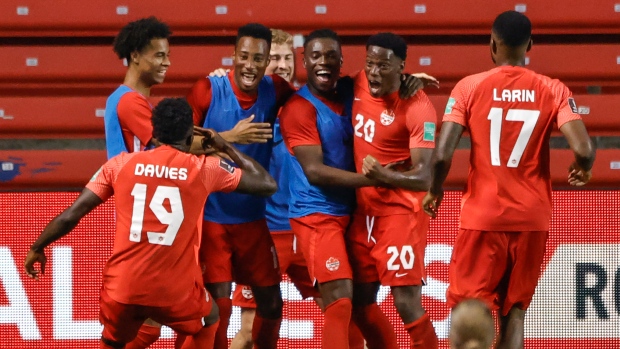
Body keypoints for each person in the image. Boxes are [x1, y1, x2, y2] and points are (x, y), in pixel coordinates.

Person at [24, 98, 277, 349]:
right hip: (175, 293)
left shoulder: (120, 165)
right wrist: (225, 147)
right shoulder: (204, 169)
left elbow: (72, 214)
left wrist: (38, 247)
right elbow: (266, 184)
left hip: (123, 289)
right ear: (190, 138)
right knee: (210, 317)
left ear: (154, 134)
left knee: (114, 340)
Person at [422, 10, 596, 349]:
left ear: (491, 43)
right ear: (530, 45)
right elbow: (585, 149)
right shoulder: (553, 89)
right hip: (532, 218)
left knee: (471, 309)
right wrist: (582, 167)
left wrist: (434, 190)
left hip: (483, 216)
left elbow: (441, 155)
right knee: (514, 313)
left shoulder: (469, 86)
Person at [186, 23, 297, 349]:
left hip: (252, 222)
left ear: (266, 63)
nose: (250, 64)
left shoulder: (275, 89)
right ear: (233, 56)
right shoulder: (208, 88)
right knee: (217, 309)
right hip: (212, 220)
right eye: (244, 56)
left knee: (272, 305)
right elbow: (180, 141)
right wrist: (230, 139)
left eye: (258, 59)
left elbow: (320, 94)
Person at [347, 32, 438, 349]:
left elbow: (425, 176)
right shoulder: (358, 83)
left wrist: (383, 175)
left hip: (400, 214)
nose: (373, 72)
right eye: (369, 63)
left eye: (383, 66)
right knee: (358, 301)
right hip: (362, 213)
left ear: (401, 66)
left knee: (405, 301)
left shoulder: (418, 107)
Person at [105, 16, 171, 160]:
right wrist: (223, 140)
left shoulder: (122, 97)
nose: (167, 63)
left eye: (167, 56)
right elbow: (172, 144)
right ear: (135, 56)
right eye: (159, 56)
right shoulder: (129, 101)